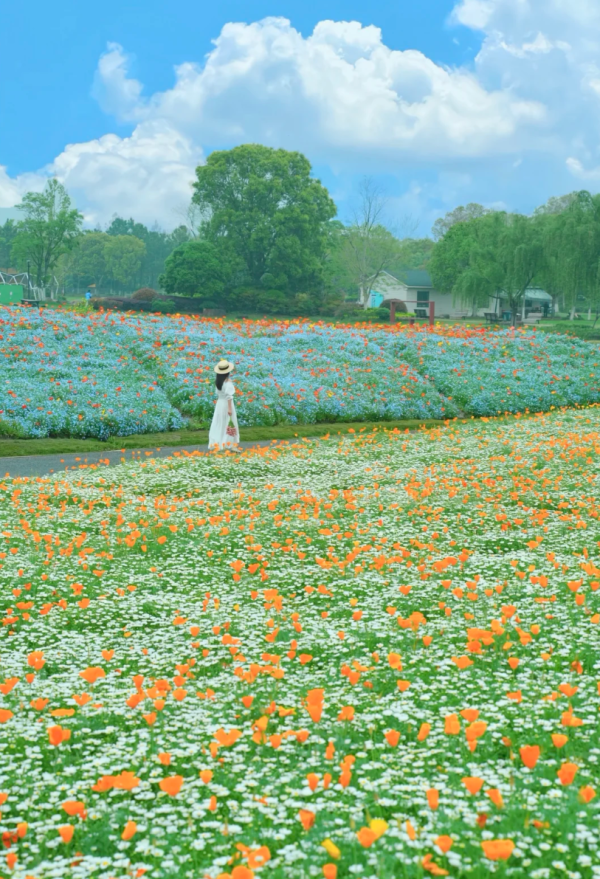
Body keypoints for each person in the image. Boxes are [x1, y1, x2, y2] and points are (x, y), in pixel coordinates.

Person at [208, 359, 239, 450]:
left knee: (220, 423)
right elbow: (229, 396)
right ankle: (229, 444)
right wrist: (229, 408)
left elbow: (219, 394)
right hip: (226, 404)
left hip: (220, 404)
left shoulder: (218, 381)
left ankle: (220, 443)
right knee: (229, 423)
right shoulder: (228, 382)